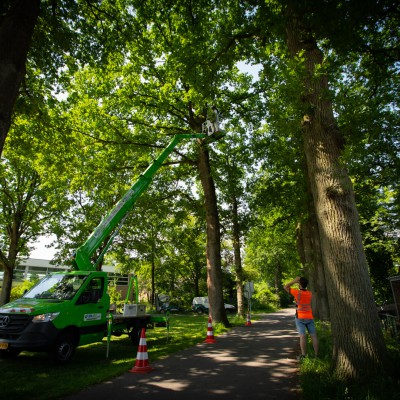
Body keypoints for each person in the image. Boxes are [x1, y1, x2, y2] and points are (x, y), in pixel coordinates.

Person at [284, 276, 319, 360]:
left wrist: (294, 281)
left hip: (300, 317)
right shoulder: (309, 293)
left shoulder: (297, 293)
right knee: (313, 336)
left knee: (302, 336)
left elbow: (285, 287)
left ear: (299, 284)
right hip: (309, 317)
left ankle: (303, 355)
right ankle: (316, 355)